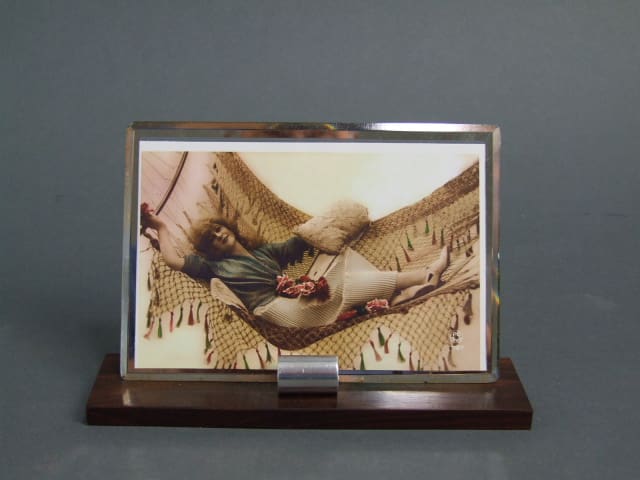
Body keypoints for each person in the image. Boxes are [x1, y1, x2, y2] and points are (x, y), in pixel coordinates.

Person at [142, 212, 449, 328]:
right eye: (211, 238)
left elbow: (302, 242)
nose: (218, 236)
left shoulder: (266, 253)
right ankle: (424, 276)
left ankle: (403, 291)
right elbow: (174, 261)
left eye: (218, 229)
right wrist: (161, 227)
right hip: (275, 311)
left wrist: (334, 221)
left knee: (343, 259)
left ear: (229, 228)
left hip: (292, 303)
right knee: (338, 284)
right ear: (210, 249)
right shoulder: (214, 266)